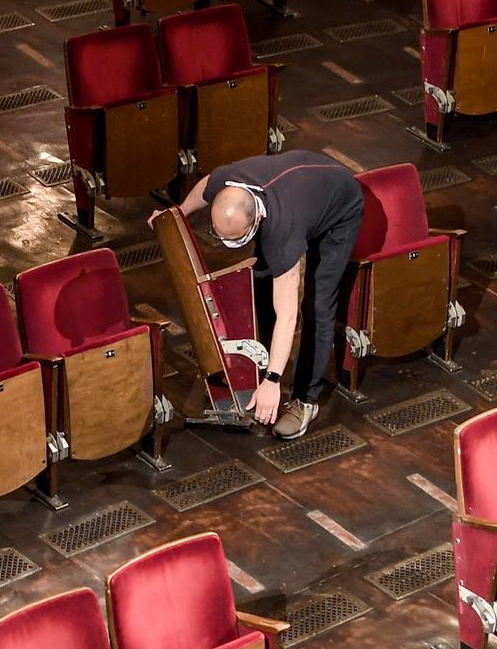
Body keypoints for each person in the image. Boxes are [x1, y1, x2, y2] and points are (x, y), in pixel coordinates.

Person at [151, 150, 364, 439]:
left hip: (339, 205)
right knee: (261, 279)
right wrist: (177, 213)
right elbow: (205, 186)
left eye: (236, 238)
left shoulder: (282, 232)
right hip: (300, 191)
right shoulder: (227, 180)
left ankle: (305, 400)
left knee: (318, 304)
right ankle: (257, 367)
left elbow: (288, 315)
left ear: (257, 220)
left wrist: (274, 381)